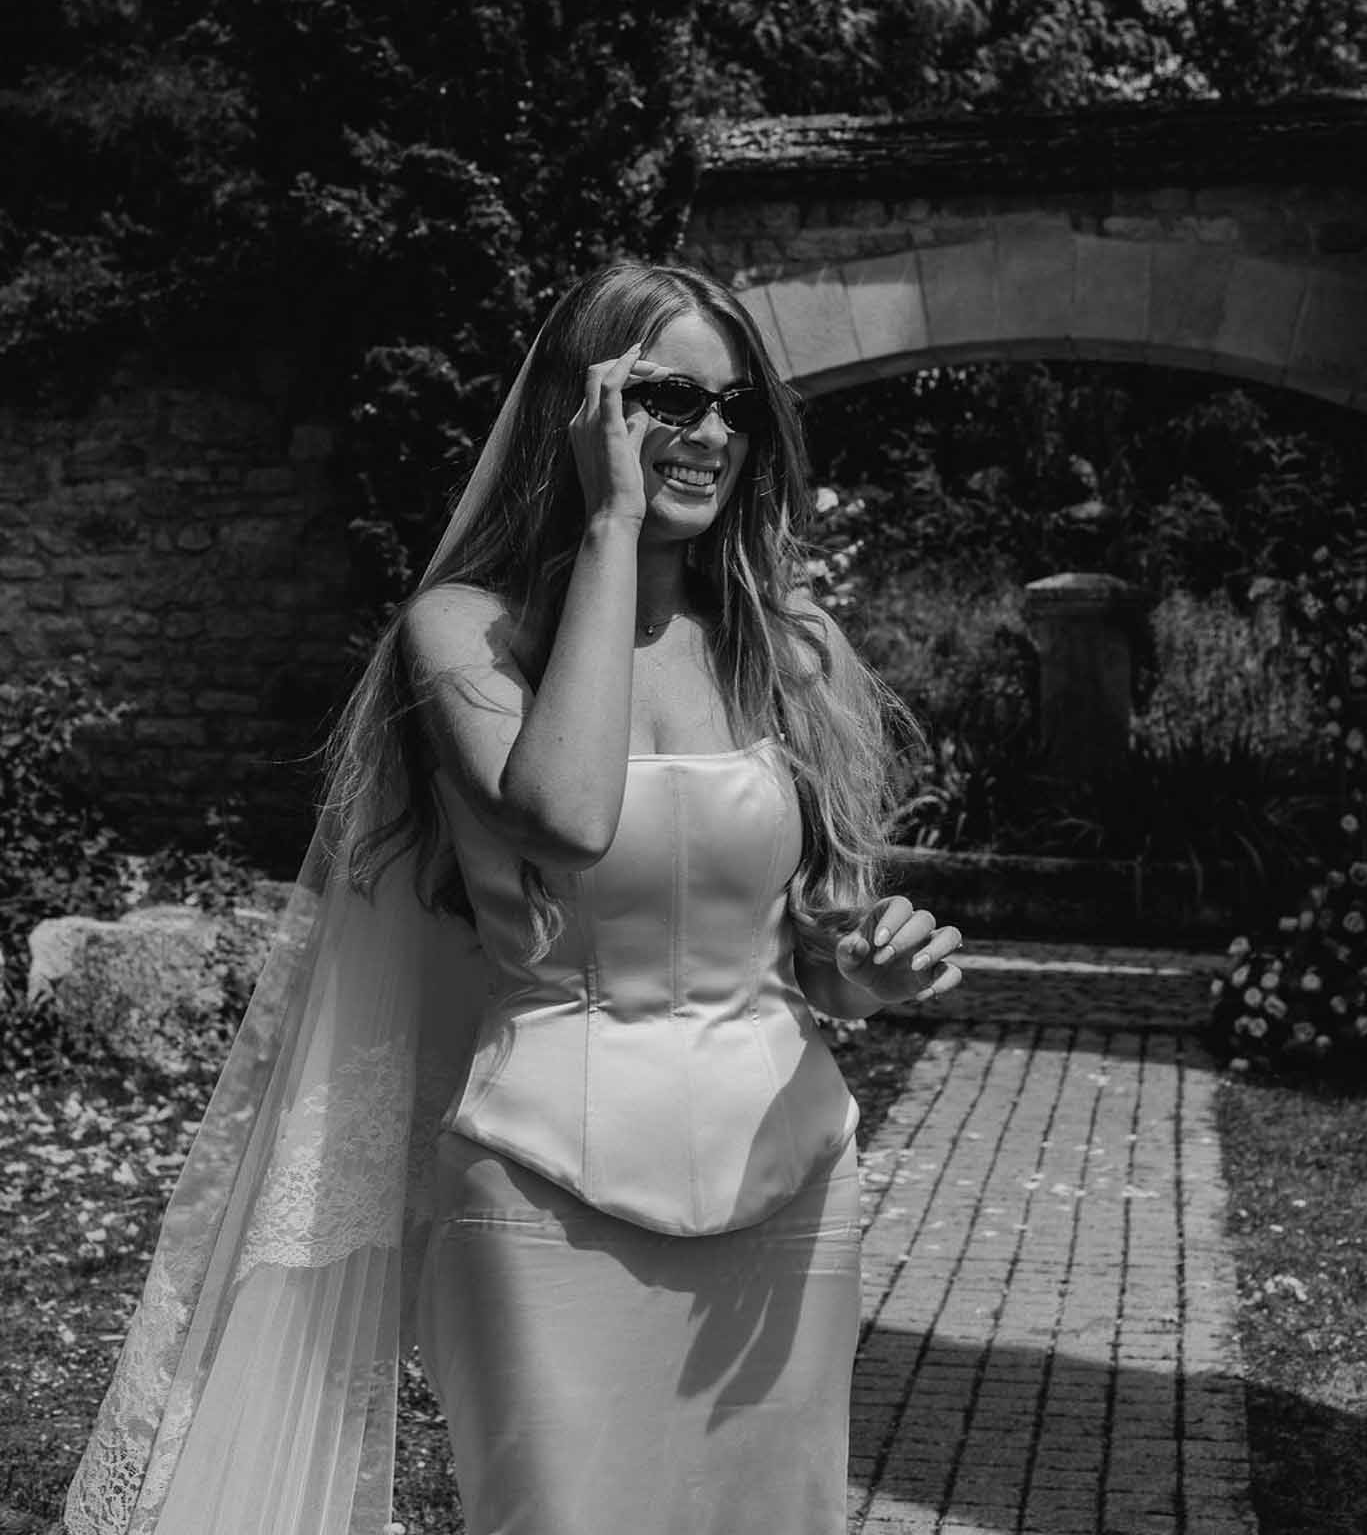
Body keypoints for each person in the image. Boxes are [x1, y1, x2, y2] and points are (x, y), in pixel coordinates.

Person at [64, 260, 962, 1535]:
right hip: (545, 1186)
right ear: (582, 411)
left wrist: (871, 967)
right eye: (664, 396)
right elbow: (565, 814)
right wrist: (607, 529)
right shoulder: (461, 633)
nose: (707, 433)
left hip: (792, 1177)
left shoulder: (793, 646)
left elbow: (813, 946)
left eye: (732, 403)